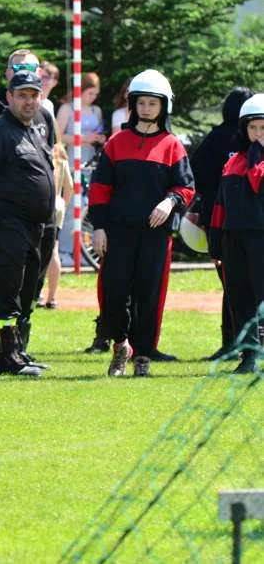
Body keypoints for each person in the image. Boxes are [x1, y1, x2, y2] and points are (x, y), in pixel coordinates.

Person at [88, 69, 195, 377]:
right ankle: (121, 344)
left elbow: (186, 186)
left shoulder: (173, 145)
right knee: (113, 293)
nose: (147, 109)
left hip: (155, 236)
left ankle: (143, 356)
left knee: (149, 296)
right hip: (117, 233)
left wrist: (170, 201)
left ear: (164, 106)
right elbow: (99, 190)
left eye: (153, 103)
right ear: (132, 104)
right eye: (142, 103)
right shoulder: (116, 143)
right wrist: (98, 226)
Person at [0, 50, 56, 371]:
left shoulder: (32, 128)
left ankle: (13, 351)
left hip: (33, 228)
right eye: (22, 96)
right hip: (4, 225)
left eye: (34, 95)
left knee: (22, 293)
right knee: (3, 294)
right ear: (10, 96)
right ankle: (2, 359)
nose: (28, 102)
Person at [191, 87, 254, 359]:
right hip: (238, 221)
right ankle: (239, 344)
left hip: (217, 220)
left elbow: (195, 174)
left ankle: (232, 343)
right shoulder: (246, 142)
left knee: (232, 286)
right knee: (241, 287)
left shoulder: (215, 139)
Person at [208, 94, 264, 373]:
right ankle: (249, 354)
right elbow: (220, 205)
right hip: (234, 239)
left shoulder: (255, 162)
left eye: (263, 129)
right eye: (252, 128)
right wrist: (216, 243)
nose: (257, 134)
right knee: (239, 296)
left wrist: (258, 156)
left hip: (260, 238)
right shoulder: (233, 163)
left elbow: (259, 183)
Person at [57, 72, 104, 266]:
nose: (92, 97)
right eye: (90, 93)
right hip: (72, 158)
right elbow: (58, 135)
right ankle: (65, 250)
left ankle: (83, 250)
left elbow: (100, 131)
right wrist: (84, 139)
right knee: (70, 205)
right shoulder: (67, 109)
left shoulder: (96, 111)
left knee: (86, 204)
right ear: (81, 91)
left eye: (95, 94)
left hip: (90, 159)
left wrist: (98, 139)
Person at [40, 142, 74, 309]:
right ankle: (52, 297)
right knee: (53, 250)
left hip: (41, 206)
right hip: (57, 207)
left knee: (35, 249)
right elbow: (70, 187)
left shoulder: (39, 151)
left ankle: (36, 293)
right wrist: (63, 204)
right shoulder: (61, 157)